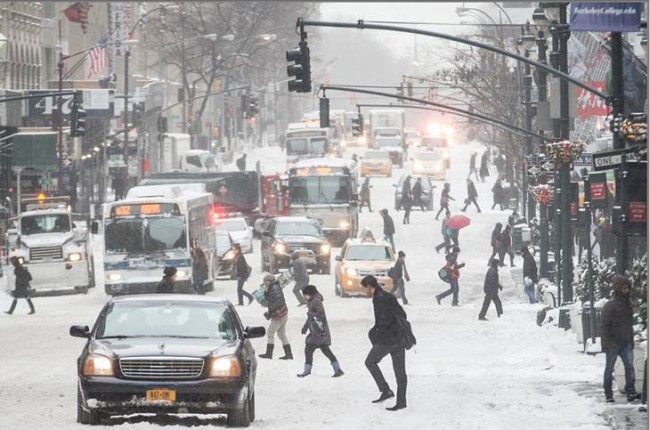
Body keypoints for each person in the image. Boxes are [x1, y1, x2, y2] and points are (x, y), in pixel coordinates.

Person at [360, 275, 408, 411]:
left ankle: (385, 390)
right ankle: (401, 401)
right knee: (400, 372)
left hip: (388, 340)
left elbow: (383, 322)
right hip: (399, 338)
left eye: (365, 289)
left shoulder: (378, 299)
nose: (365, 292)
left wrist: (375, 333)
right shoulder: (388, 295)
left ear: (369, 287)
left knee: (370, 362)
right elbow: (402, 314)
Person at [601, 275, 641, 403]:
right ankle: (608, 393)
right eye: (624, 288)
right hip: (613, 342)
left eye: (628, 288)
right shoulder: (610, 306)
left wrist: (630, 339)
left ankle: (630, 391)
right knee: (610, 368)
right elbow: (604, 326)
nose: (627, 290)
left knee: (629, 367)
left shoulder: (628, 304)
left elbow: (628, 324)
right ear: (618, 289)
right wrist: (606, 344)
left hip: (625, 341)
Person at [297, 284, 344, 378]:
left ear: (309, 294)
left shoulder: (316, 301)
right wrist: (305, 327)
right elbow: (311, 317)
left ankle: (307, 371)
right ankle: (337, 369)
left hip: (319, 332)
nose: (304, 296)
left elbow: (320, 314)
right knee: (321, 351)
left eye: (305, 294)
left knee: (311, 350)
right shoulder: (312, 301)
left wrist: (310, 313)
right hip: (316, 332)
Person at [259, 274, 293, 360]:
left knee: (270, 333)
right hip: (282, 314)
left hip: (279, 315)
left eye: (265, 283)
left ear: (268, 282)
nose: (264, 285)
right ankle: (289, 354)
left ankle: (269, 354)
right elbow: (270, 300)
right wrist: (266, 291)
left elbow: (277, 303)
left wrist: (270, 313)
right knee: (281, 334)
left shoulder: (274, 289)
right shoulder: (273, 288)